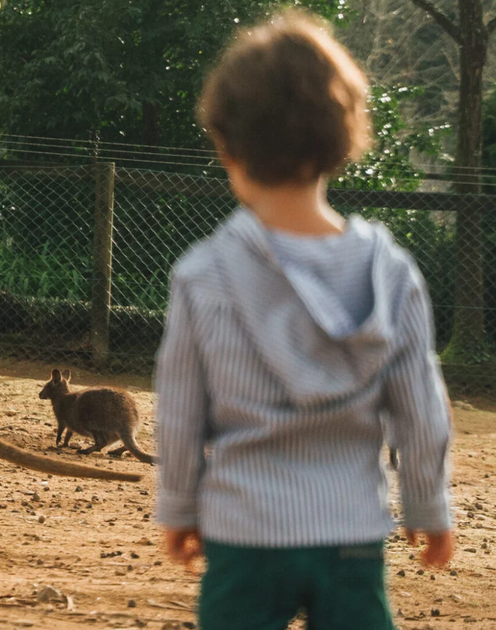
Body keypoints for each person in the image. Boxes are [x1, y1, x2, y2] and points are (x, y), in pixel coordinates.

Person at [154, 9, 454, 629]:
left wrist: (181, 505)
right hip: (351, 536)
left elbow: (180, 409)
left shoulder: (202, 275)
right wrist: (429, 505)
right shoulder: (391, 273)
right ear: (343, 139)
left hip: (243, 535)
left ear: (226, 146)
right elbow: (421, 409)